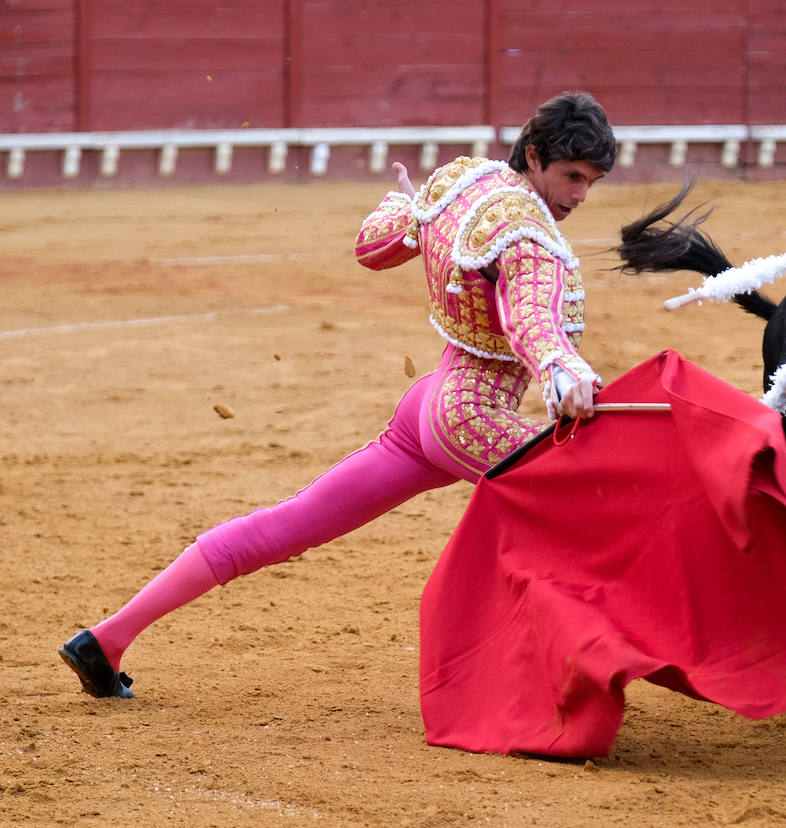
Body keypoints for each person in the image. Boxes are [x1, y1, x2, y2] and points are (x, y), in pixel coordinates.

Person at [60, 91, 618, 699]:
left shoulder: (461, 182)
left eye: (591, 181)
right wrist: (561, 369)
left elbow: (373, 247)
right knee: (607, 509)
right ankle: (550, 677)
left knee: (282, 526)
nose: (579, 196)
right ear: (533, 156)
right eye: (571, 176)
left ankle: (106, 638)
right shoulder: (527, 230)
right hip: (472, 418)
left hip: (426, 411)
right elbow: (531, 319)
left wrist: (411, 206)